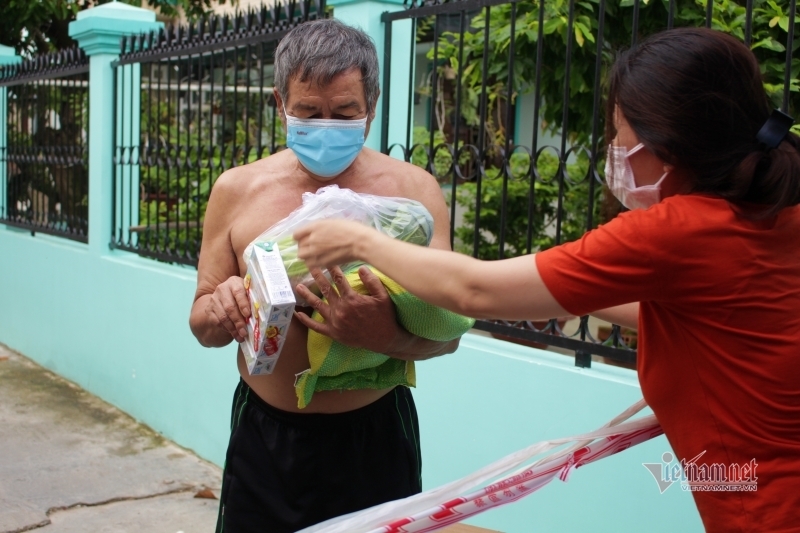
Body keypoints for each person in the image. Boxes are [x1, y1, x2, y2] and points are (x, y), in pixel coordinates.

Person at [294, 27, 800, 532]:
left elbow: (475, 289)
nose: (614, 146)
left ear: (662, 137)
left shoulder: (677, 233)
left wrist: (359, 242)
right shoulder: (771, 216)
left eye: (618, 128)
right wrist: (565, 293)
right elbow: (702, 318)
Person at [188, 19, 460, 533]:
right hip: (264, 435)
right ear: (280, 103)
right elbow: (202, 324)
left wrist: (387, 336)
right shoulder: (237, 191)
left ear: (371, 109)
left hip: (376, 435)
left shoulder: (413, 197)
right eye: (309, 112)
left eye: (345, 113)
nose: (326, 125)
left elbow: (444, 339)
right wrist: (222, 309)